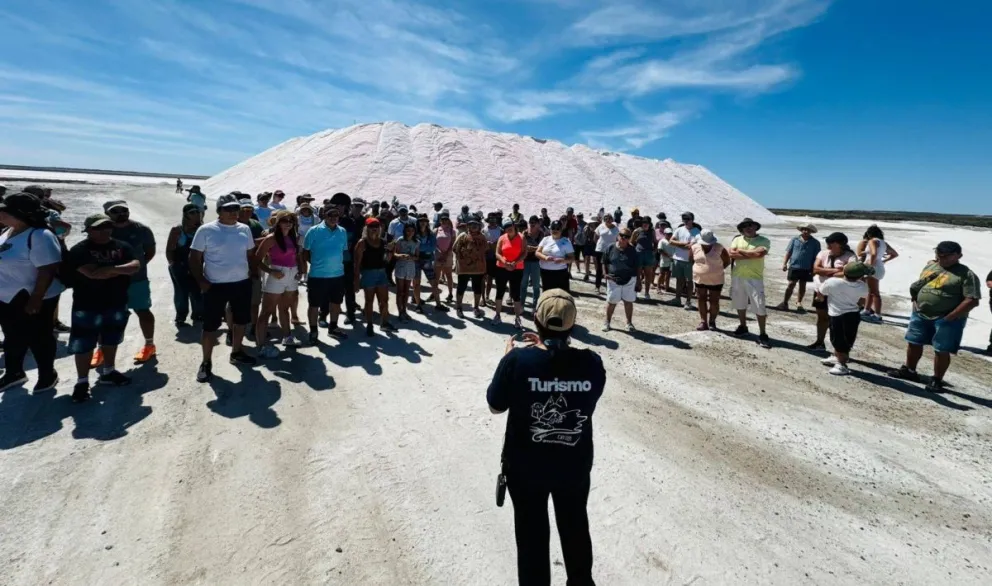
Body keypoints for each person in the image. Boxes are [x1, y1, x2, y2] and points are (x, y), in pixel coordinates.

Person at [486, 289, 605, 586]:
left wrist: (510, 358)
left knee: (531, 538)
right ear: (573, 325)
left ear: (536, 320)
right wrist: (546, 353)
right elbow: (579, 390)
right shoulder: (592, 363)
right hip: (573, 464)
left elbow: (496, 406)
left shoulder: (517, 361)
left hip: (526, 467)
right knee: (575, 527)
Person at [63, 214, 140, 401]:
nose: (104, 231)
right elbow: (93, 273)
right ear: (88, 230)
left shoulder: (122, 246)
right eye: (98, 228)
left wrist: (110, 269)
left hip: (116, 301)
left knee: (111, 339)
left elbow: (135, 265)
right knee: (84, 344)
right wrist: (119, 269)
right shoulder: (80, 250)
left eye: (107, 226)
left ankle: (108, 371)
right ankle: (82, 381)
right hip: (87, 303)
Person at [889, 241, 982, 392]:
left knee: (941, 349)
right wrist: (915, 301)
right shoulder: (931, 266)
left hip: (947, 319)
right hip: (920, 314)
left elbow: (972, 300)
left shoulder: (966, 274)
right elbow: (920, 284)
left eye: (947, 256)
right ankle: (909, 370)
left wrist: (950, 317)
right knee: (914, 342)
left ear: (959, 256)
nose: (942, 258)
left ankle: (937, 379)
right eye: (940, 254)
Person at [189, 194, 259, 383]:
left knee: (241, 321)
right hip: (215, 285)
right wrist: (201, 280)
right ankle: (206, 362)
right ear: (219, 211)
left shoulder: (244, 229)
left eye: (236, 208)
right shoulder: (206, 230)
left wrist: (252, 273)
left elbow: (250, 254)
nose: (233, 212)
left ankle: (237, 352)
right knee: (210, 326)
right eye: (228, 209)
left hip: (241, 283)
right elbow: (194, 258)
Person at [0, 192, 65, 393]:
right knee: (12, 336)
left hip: (34, 296)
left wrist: (36, 298)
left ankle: (47, 374)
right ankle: (14, 373)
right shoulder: (7, 231)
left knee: (39, 337)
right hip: (7, 296)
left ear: (19, 214)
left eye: (4, 211)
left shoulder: (40, 235)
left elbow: (48, 269)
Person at [104, 199, 157, 364]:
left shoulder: (142, 230)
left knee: (143, 311)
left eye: (124, 210)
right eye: (115, 211)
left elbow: (150, 252)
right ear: (107, 213)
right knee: (107, 315)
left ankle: (149, 345)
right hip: (109, 281)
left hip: (137, 280)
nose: (121, 214)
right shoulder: (103, 230)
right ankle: (102, 348)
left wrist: (136, 267)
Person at [254, 211, 303, 357]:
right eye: (284, 220)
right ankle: (261, 346)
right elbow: (256, 259)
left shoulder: (294, 237)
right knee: (266, 312)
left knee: (284, 308)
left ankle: (287, 337)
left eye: (291, 220)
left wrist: (300, 271)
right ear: (278, 222)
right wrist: (270, 271)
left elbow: (297, 256)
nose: (288, 223)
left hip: (291, 274)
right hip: (277, 273)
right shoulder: (271, 238)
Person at [303, 204, 349, 345]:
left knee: (336, 303)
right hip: (317, 276)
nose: (334, 218)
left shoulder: (342, 231)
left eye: (336, 215)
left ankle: (333, 328)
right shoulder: (313, 231)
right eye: (330, 215)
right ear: (324, 215)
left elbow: (343, 251)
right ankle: (313, 331)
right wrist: (315, 264)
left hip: (337, 275)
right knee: (314, 305)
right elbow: (305, 251)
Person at [819, 262, 873, 376]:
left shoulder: (832, 282)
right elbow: (861, 301)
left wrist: (820, 298)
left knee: (839, 340)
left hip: (837, 315)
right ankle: (837, 357)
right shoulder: (862, 286)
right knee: (845, 338)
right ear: (860, 276)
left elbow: (821, 292)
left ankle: (841, 365)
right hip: (853, 314)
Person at [808, 233, 856, 350]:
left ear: (840, 244)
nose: (828, 245)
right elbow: (815, 269)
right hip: (821, 289)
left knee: (836, 320)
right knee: (822, 317)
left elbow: (849, 273)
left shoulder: (850, 257)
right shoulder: (823, 253)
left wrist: (825, 271)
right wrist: (836, 270)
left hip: (839, 293)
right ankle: (820, 342)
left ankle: (838, 349)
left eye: (831, 243)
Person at [729, 217, 772, 348]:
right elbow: (732, 254)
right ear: (741, 229)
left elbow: (759, 254)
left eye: (750, 225)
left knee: (759, 305)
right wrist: (751, 254)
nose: (748, 228)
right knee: (740, 303)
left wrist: (741, 251)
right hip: (738, 276)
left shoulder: (763, 240)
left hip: (754, 278)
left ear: (755, 227)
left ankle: (763, 333)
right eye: (745, 226)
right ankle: (743, 326)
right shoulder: (737, 239)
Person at [353, 218, 396, 337]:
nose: (374, 228)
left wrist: (391, 252)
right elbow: (357, 264)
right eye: (371, 226)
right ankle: (370, 325)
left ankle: (384, 323)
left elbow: (386, 260)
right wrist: (356, 280)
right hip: (368, 274)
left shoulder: (383, 242)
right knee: (369, 301)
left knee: (384, 300)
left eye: (376, 226)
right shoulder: (362, 243)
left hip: (381, 273)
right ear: (366, 228)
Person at [165, 203, 205, 328]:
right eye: (192, 213)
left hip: (197, 266)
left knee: (197, 291)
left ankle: (198, 314)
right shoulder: (177, 230)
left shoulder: (203, 230)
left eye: (198, 212)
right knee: (181, 292)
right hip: (180, 266)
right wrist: (172, 263)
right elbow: (169, 250)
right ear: (185, 215)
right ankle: (181, 317)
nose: (196, 215)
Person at [690, 229, 731, 331]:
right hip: (699, 279)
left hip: (716, 280)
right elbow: (691, 260)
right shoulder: (694, 247)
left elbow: (727, 261)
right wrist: (701, 270)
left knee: (714, 301)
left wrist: (715, 270)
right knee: (701, 299)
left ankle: (712, 322)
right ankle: (703, 321)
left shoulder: (719, 247)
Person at [237, 197, 265, 341]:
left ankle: (253, 326)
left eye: (250, 210)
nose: (247, 213)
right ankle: (232, 331)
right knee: (235, 303)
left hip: (254, 267)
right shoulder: (232, 225)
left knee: (255, 301)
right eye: (244, 210)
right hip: (235, 270)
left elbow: (264, 243)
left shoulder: (256, 225)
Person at [777, 223, 821, 312]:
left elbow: (817, 257)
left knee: (802, 285)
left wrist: (815, 269)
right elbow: (789, 252)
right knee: (791, 284)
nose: (805, 231)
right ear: (801, 230)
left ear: (811, 231)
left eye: (808, 230)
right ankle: (785, 302)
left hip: (807, 268)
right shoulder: (794, 239)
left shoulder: (815, 242)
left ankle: (799, 302)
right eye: (804, 229)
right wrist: (784, 264)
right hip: (794, 266)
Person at [859, 225, 899, 324]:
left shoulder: (872, 241)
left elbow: (873, 253)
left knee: (874, 292)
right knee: (870, 291)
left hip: (873, 267)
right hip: (879, 266)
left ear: (869, 234)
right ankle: (866, 310)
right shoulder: (883, 243)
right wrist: (883, 261)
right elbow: (895, 254)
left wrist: (870, 266)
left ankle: (877, 315)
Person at [602, 227, 639, 332]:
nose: (623, 238)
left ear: (629, 238)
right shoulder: (610, 247)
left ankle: (629, 323)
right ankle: (607, 322)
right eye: (621, 235)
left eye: (626, 236)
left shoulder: (633, 250)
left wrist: (638, 281)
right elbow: (604, 261)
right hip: (613, 279)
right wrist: (605, 274)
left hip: (629, 280)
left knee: (628, 302)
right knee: (611, 302)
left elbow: (637, 267)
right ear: (618, 236)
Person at [452, 214, 488, 319]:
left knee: (477, 288)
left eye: (476, 224)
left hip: (478, 268)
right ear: (468, 226)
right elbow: (455, 248)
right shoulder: (462, 236)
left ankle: (476, 307)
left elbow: (485, 249)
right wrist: (462, 257)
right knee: (461, 287)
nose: (474, 226)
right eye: (472, 224)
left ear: (479, 226)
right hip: (464, 268)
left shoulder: (482, 237)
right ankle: (459, 307)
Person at [493, 219, 525, 328]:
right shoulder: (502, 238)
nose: (508, 228)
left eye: (510, 226)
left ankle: (517, 318)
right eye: (506, 227)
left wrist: (515, 262)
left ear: (513, 225)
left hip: (517, 268)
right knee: (500, 292)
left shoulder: (521, 237)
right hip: (502, 268)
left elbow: (524, 253)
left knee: (516, 294)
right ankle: (497, 315)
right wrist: (505, 262)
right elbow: (497, 253)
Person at [413, 215, 447, 314]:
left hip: (426, 260)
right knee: (416, 284)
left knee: (434, 283)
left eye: (425, 221)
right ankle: (418, 305)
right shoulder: (414, 233)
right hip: (416, 260)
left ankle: (438, 304)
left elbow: (432, 247)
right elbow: (416, 246)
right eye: (421, 221)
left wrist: (420, 247)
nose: (423, 223)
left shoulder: (430, 234)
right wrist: (425, 247)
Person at [391, 222, 419, 323]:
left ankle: (404, 310)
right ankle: (400, 312)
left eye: (412, 231)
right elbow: (394, 253)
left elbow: (417, 256)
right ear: (405, 231)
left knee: (407, 291)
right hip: (401, 267)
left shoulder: (417, 242)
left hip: (410, 267)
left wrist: (412, 257)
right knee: (400, 291)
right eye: (408, 230)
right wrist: (401, 255)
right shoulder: (400, 240)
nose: (410, 233)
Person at [536, 221, 574, 293]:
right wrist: (545, 258)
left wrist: (562, 260)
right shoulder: (545, 239)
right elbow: (537, 252)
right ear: (550, 229)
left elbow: (572, 258)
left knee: (560, 294)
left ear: (561, 230)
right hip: (546, 272)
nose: (555, 230)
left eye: (558, 228)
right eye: (553, 228)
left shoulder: (566, 241)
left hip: (560, 273)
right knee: (547, 294)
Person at [520, 216, 546, 308]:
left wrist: (531, 248)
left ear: (538, 224)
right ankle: (521, 304)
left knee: (536, 285)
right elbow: (523, 247)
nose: (532, 224)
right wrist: (535, 248)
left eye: (534, 222)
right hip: (525, 261)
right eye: (530, 222)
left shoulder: (541, 234)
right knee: (523, 284)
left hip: (536, 262)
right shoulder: (525, 233)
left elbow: (543, 248)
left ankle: (535, 306)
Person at [631, 216, 657, 299]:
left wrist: (654, 251)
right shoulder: (637, 231)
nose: (645, 224)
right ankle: (636, 291)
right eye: (644, 223)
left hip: (648, 254)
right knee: (637, 274)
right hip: (639, 253)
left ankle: (647, 293)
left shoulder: (652, 231)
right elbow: (631, 242)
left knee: (648, 274)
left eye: (647, 223)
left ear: (649, 224)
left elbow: (655, 242)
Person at [593, 214, 619, 295]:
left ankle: (609, 288)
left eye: (610, 218)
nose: (608, 220)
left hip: (611, 251)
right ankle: (597, 287)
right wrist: (599, 244)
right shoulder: (601, 226)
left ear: (612, 219)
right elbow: (595, 237)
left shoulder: (616, 229)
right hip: (600, 250)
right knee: (599, 269)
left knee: (609, 270)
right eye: (606, 219)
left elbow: (618, 239)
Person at [435, 212, 456, 304]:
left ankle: (450, 294)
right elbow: (434, 243)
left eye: (446, 219)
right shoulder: (436, 230)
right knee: (436, 276)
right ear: (440, 221)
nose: (444, 221)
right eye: (442, 220)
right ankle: (435, 293)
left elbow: (453, 243)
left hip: (448, 255)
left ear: (448, 220)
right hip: (438, 255)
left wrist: (446, 253)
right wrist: (440, 252)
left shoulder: (452, 231)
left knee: (449, 275)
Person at [483, 213, 504, 304]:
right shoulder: (484, 230)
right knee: (487, 279)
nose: (492, 221)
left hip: (497, 257)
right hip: (486, 257)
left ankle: (497, 299)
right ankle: (485, 297)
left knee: (498, 280)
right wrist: (487, 244)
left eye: (494, 219)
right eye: (491, 219)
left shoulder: (501, 230)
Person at [656, 227, 675, 294]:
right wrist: (669, 256)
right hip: (664, 261)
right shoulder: (662, 241)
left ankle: (667, 287)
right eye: (668, 234)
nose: (669, 235)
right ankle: (658, 288)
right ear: (665, 234)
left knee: (668, 274)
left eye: (670, 234)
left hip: (671, 261)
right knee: (661, 274)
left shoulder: (673, 241)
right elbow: (660, 250)